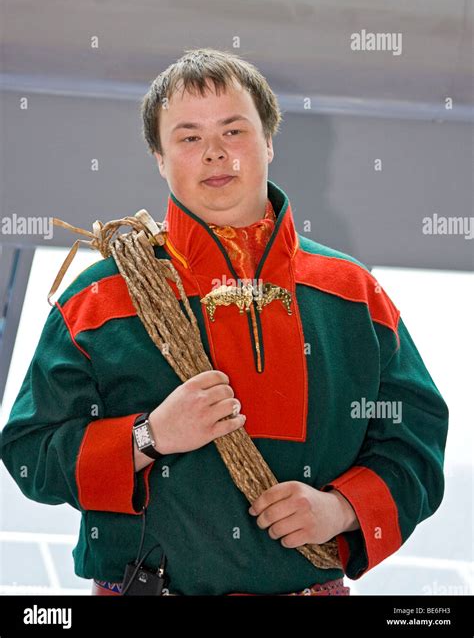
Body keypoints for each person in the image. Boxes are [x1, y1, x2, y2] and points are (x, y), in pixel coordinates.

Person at [2, 48, 449, 596]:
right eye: (188, 137)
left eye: (234, 131)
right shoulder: (100, 295)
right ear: (160, 159)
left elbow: (417, 446)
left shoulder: (352, 294)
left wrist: (340, 509)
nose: (215, 153)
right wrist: (150, 435)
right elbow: (29, 455)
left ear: (268, 142)